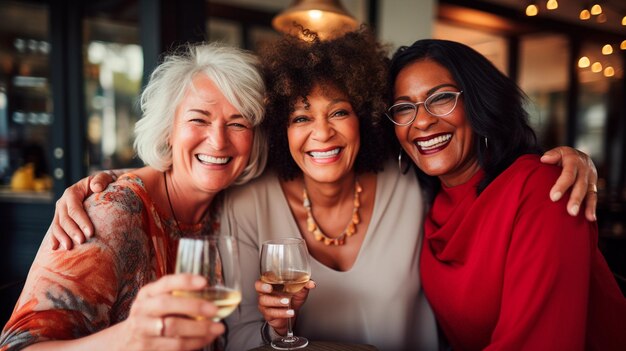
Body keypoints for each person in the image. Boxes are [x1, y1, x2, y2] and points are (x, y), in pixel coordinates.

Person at [46, 30, 598, 350]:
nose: (323, 133)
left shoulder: (413, 182)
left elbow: (487, 179)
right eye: (301, 116)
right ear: (281, 130)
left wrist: (569, 158)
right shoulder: (243, 198)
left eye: (340, 112)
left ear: (369, 122)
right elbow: (237, 336)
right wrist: (110, 182)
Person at [0, 42, 267, 351]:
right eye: (199, 119)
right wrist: (128, 339)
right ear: (168, 129)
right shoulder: (112, 214)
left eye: (237, 123)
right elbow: (17, 347)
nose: (219, 142)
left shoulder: (230, 203)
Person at [387, 38, 626, 350]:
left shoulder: (543, 189)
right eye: (404, 107)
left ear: (479, 101)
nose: (421, 121)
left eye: (442, 98)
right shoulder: (427, 201)